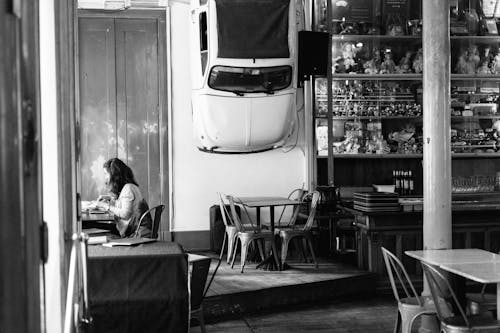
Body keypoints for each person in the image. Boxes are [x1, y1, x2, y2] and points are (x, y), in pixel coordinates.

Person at [95, 158, 152, 238]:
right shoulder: (130, 187)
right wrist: (109, 198)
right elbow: (124, 202)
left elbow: (125, 214)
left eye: (106, 174)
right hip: (133, 228)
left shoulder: (128, 189)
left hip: (132, 232)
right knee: (96, 225)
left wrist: (106, 206)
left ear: (114, 175)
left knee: (92, 225)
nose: (105, 177)